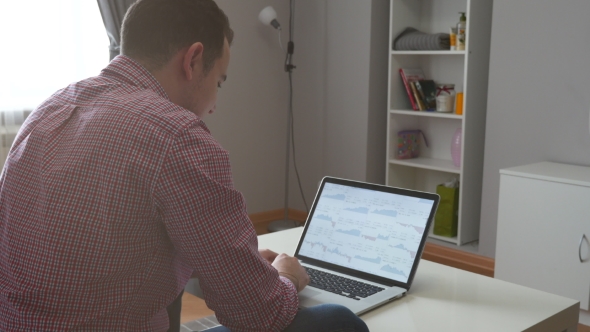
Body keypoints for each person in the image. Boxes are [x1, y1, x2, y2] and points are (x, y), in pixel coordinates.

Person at [0, 0, 369, 331]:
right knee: (338, 320)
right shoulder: (174, 133)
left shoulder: (49, 111)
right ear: (192, 60)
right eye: (219, 82)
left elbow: (104, 247)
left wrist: (236, 261)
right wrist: (285, 276)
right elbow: (259, 314)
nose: (214, 106)